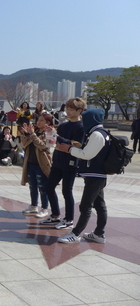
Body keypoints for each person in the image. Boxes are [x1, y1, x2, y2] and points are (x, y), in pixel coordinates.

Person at [56, 109, 109, 244]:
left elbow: (86, 154)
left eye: (85, 119)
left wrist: (68, 149)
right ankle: (99, 234)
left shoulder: (97, 134)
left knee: (85, 206)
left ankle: (76, 233)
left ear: (92, 119)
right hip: (97, 174)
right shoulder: (100, 133)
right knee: (99, 204)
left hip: (95, 175)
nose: (83, 122)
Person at [39, 97, 85, 230]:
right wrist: (50, 134)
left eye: (71, 109)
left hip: (70, 162)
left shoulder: (81, 127)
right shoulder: (64, 125)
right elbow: (53, 143)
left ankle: (69, 219)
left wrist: (56, 136)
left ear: (79, 111)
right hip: (58, 160)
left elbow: (76, 145)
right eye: (67, 109)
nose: (68, 112)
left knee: (67, 190)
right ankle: (55, 215)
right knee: (49, 187)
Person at [20, 114, 53, 219]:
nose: (39, 122)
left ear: (48, 122)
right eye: (38, 120)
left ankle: (44, 208)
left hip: (42, 164)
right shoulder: (34, 132)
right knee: (32, 186)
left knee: (42, 187)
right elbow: (23, 145)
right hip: (30, 162)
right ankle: (34, 205)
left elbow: (45, 147)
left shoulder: (50, 133)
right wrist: (26, 134)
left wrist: (33, 135)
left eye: (42, 120)